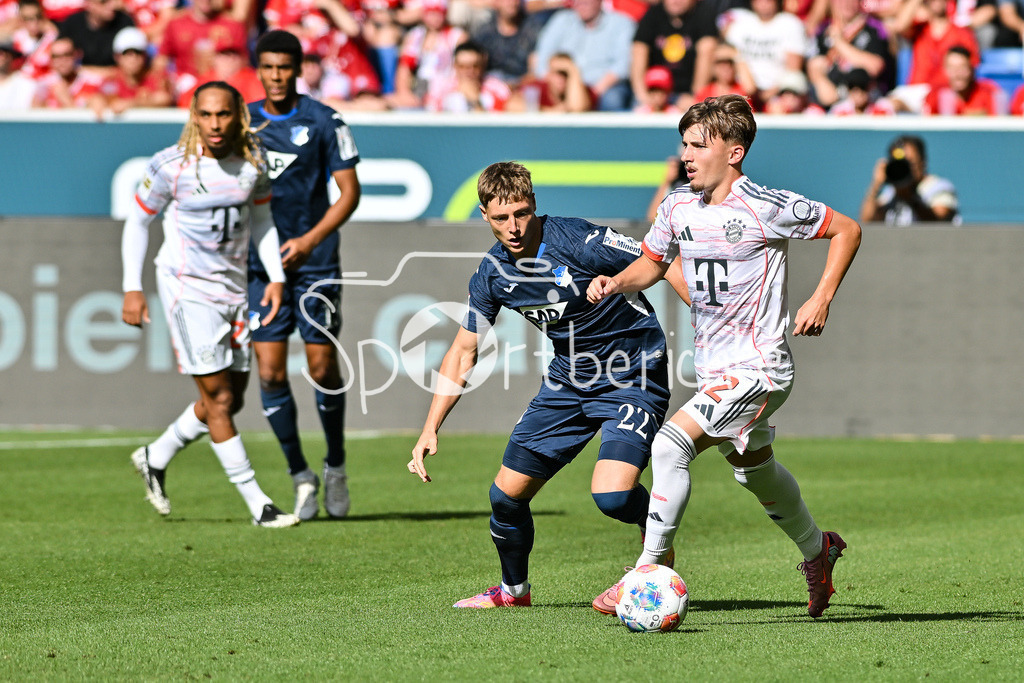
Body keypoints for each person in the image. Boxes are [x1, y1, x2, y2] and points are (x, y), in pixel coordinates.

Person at [587, 94, 862, 620]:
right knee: (752, 470)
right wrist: (617, 281)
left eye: (698, 145)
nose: (686, 155)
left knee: (670, 446)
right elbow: (652, 263)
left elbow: (845, 229)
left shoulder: (764, 205)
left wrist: (820, 296)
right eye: (683, 144)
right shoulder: (677, 206)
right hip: (716, 369)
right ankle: (817, 549)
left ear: (734, 152)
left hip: (760, 369)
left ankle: (644, 573)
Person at [408, 161, 684, 609]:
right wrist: (429, 427)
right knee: (506, 496)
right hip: (569, 382)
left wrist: (712, 323)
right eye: (501, 218)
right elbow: (464, 350)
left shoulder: (577, 239)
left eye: (520, 213)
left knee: (613, 497)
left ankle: (656, 531)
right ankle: (514, 593)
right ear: (484, 215)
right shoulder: (492, 274)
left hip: (633, 373)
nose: (513, 227)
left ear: (534, 205)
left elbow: (659, 261)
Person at [123, 81, 300, 528]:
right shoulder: (171, 165)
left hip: (234, 290)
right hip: (187, 289)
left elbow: (261, 219)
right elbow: (138, 222)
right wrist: (132, 285)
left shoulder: (252, 161)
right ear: (194, 116)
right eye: (206, 115)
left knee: (231, 399)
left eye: (223, 114)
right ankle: (259, 504)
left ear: (237, 114)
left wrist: (275, 278)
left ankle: (155, 454)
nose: (215, 124)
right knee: (218, 400)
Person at [248, 30, 361, 520]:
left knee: (320, 368)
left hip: (314, 262)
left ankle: (335, 465)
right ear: (259, 69)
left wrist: (310, 240)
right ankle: (300, 476)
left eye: (284, 67)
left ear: (297, 69)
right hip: (260, 265)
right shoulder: (243, 122)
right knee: (270, 370)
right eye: (268, 67)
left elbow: (349, 192)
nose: (276, 76)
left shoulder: (324, 120)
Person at [532, 0, 635, 111]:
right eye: (578, 2)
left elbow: (622, 65)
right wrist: (555, 84)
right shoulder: (561, 20)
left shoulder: (621, 23)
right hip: (561, 86)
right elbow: (541, 59)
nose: (581, 4)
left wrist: (594, 92)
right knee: (529, 94)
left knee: (613, 99)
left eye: (586, 2)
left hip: (602, 87)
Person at [631, 0, 717, 112]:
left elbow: (707, 52)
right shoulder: (652, 14)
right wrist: (642, 96)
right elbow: (639, 50)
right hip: (655, 91)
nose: (676, 1)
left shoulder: (703, 14)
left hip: (686, 94)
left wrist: (695, 97)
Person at [860, 134, 959, 225]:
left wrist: (909, 198)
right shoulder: (891, 193)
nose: (905, 168)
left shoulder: (939, 187)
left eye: (910, 163)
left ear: (923, 162)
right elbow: (867, 221)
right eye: (900, 163)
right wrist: (876, 185)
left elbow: (938, 220)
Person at [92, 25, 172, 113]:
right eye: (127, 54)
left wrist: (131, 104)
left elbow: (164, 99)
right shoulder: (112, 79)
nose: (133, 59)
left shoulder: (156, 77)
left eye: (138, 53)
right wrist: (97, 101)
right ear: (117, 57)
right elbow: (98, 97)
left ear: (145, 56)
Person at [425, 39, 511, 111]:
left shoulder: (497, 88)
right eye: (463, 66)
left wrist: (474, 99)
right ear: (455, 66)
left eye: (475, 66)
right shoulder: (441, 88)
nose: (470, 71)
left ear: (483, 66)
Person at [922, 44, 1008, 114]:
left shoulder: (988, 91)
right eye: (952, 68)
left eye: (962, 67)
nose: (957, 74)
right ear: (945, 70)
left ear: (972, 69)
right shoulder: (935, 95)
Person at [57, 0, 134, 69]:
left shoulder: (125, 22)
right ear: (89, 5)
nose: (112, 6)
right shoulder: (72, 24)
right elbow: (60, 60)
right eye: (103, 2)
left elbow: (132, 65)